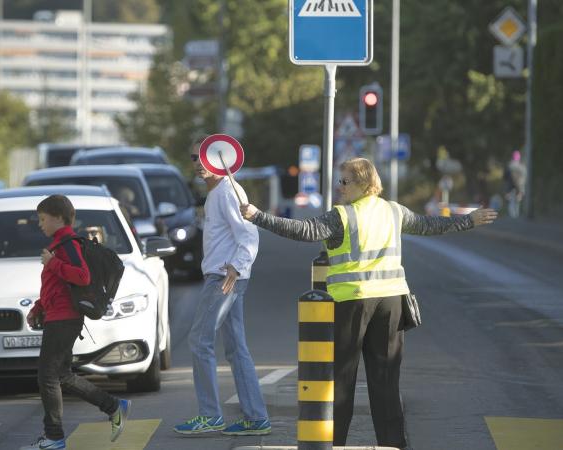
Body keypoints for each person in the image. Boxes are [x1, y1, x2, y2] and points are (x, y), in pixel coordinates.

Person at [240, 157, 498, 448]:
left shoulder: (343, 216)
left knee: (341, 383)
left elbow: (303, 230)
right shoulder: (394, 211)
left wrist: (258, 216)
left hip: (351, 303)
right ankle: (395, 445)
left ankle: (333, 445)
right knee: (386, 383)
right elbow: (429, 225)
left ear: (363, 183)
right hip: (391, 302)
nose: (340, 187)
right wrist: (468, 220)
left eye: (345, 181)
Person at [173, 137, 271, 436]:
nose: (199, 163)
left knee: (199, 341)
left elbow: (249, 235)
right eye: (194, 158)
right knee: (235, 348)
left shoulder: (228, 190)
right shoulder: (217, 191)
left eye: (204, 156)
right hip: (226, 275)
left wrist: (236, 268)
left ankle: (210, 415)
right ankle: (256, 418)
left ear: (221, 157)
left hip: (223, 277)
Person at [22, 194, 130, 450]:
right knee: (61, 375)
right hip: (58, 316)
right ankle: (114, 406)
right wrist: (38, 308)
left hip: (64, 319)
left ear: (59, 218)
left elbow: (81, 276)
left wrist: (53, 262)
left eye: (43, 219)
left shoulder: (66, 245)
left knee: (47, 376)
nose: (40, 225)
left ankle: (54, 438)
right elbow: (56, 287)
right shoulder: (60, 245)